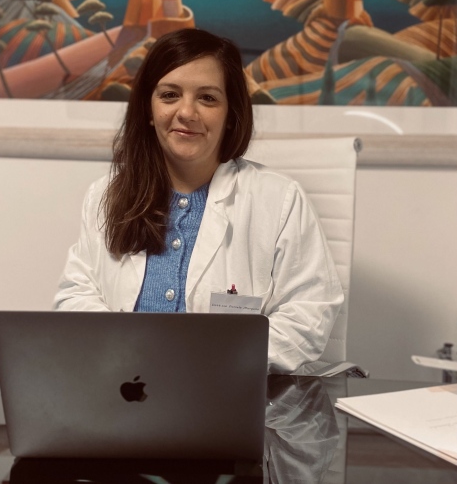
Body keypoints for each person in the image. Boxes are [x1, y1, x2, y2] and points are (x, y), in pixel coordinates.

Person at [54, 28, 344, 374]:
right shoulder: (105, 195)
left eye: (207, 98)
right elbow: (75, 296)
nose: (186, 112)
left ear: (231, 114)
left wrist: (213, 361)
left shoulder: (279, 200)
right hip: (123, 386)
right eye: (169, 95)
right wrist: (123, 350)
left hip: (228, 390)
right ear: (148, 109)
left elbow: (309, 314)